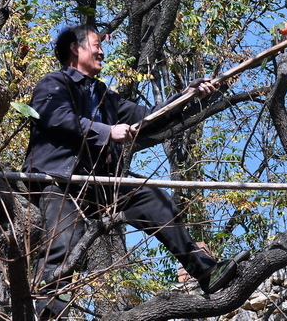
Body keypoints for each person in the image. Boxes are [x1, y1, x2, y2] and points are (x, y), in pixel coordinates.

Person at [24, 24, 248, 319]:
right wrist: (108, 131)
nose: (102, 51)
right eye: (95, 44)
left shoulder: (104, 95)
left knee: (152, 198)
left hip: (100, 185)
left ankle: (204, 271)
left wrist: (189, 95)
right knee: (62, 245)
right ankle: (48, 312)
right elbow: (57, 118)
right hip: (61, 179)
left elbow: (149, 118)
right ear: (74, 49)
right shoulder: (53, 83)